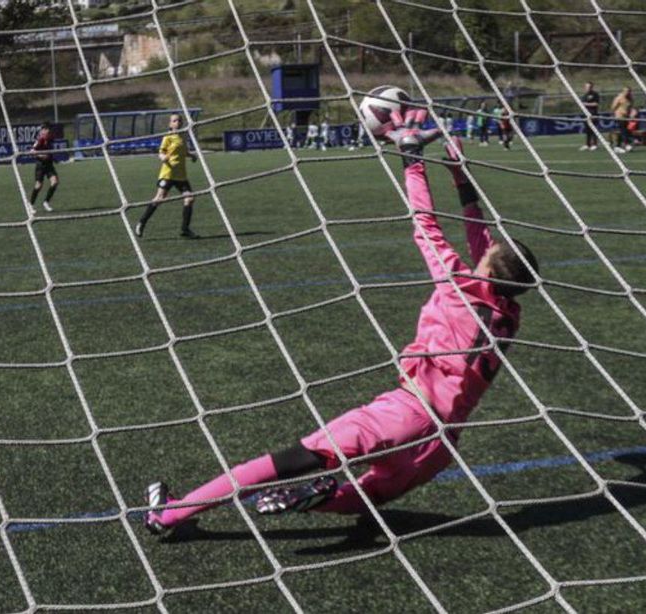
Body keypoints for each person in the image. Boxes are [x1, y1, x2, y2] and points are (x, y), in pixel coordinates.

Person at [144, 114, 540, 536]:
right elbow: (480, 237)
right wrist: (458, 172)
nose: (488, 240)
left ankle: (170, 513)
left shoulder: (457, 285)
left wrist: (412, 157)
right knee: (371, 497)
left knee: (293, 460)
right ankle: (320, 498)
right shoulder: (507, 313)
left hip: (403, 414)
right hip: (441, 446)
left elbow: (425, 223)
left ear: (490, 262)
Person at [135, 113, 199, 240]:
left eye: (180, 120)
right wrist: (163, 157)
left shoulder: (183, 135)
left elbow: (183, 151)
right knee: (159, 198)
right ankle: (141, 223)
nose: (178, 122)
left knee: (190, 199)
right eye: (175, 121)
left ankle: (185, 230)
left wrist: (191, 156)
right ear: (170, 124)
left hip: (181, 175)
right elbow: (161, 151)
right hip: (168, 173)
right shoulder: (168, 137)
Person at [28, 123, 59, 213]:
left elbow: (50, 151)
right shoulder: (40, 140)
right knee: (38, 185)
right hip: (41, 165)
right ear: (42, 131)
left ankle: (46, 202)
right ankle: (31, 204)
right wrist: (41, 156)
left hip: (49, 165)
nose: (48, 132)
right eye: (46, 130)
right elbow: (32, 151)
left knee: (55, 182)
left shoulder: (50, 139)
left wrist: (54, 158)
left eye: (49, 130)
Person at [611, 87, 633, 153]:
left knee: (623, 131)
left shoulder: (630, 98)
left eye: (629, 91)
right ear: (623, 91)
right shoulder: (619, 98)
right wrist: (617, 113)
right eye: (626, 91)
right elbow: (613, 107)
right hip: (619, 116)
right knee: (623, 130)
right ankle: (626, 144)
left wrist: (629, 114)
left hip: (626, 117)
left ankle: (618, 146)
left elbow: (630, 107)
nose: (627, 92)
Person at [580, 82, 600, 151]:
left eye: (590, 87)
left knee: (593, 130)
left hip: (593, 114)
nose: (588, 88)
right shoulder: (584, 95)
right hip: (586, 115)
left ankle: (594, 144)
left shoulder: (595, 94)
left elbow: (596, 104)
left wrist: (586, 104)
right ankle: (587, 144)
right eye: (587, 87)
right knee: (587, 130)